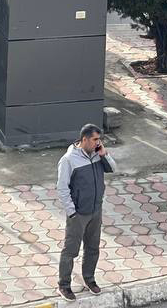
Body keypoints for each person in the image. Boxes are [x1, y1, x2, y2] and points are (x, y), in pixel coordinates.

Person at [57, 123, 114, 300]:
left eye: (99, 139)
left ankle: (89, 279)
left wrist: (104, 154)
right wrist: (72, 212)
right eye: (95, 139)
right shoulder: (68, 160)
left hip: (96, 210)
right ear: (84, 139)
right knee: (70, 251)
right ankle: (64, 285)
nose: (98, 142)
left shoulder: (97, 154)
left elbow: (112, 168)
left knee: (92, 248)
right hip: (78, 214)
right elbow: (62, 188)